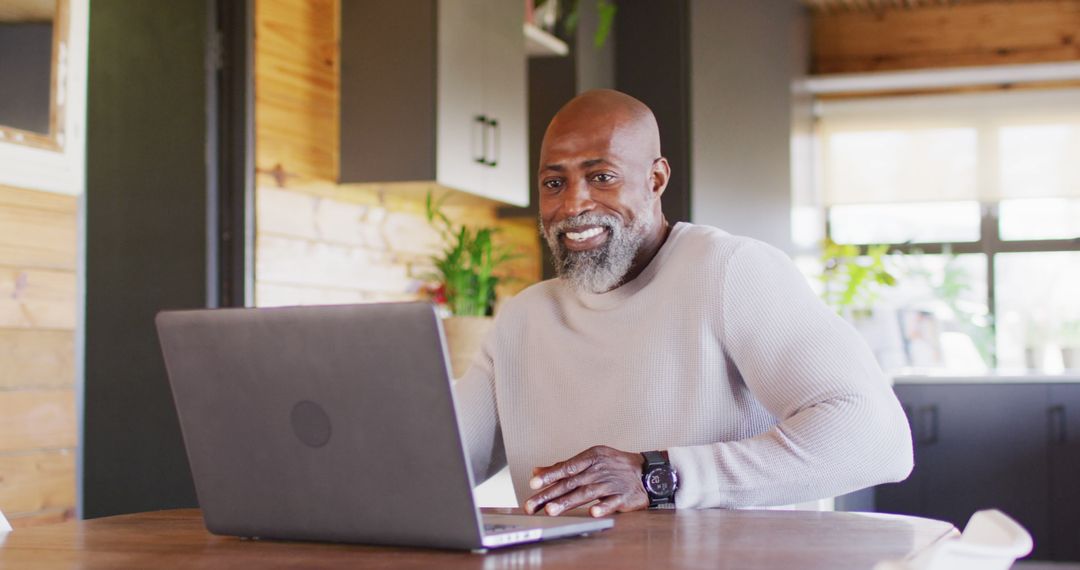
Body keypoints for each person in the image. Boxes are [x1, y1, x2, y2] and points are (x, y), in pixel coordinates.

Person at [454, 89, 913, 518]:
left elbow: (877, 439)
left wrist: (659, 477)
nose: (574, 203)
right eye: (554, 182)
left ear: (656, 179)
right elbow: (443, 462)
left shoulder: (730, 271)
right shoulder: (523, 318)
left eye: (602, 177)